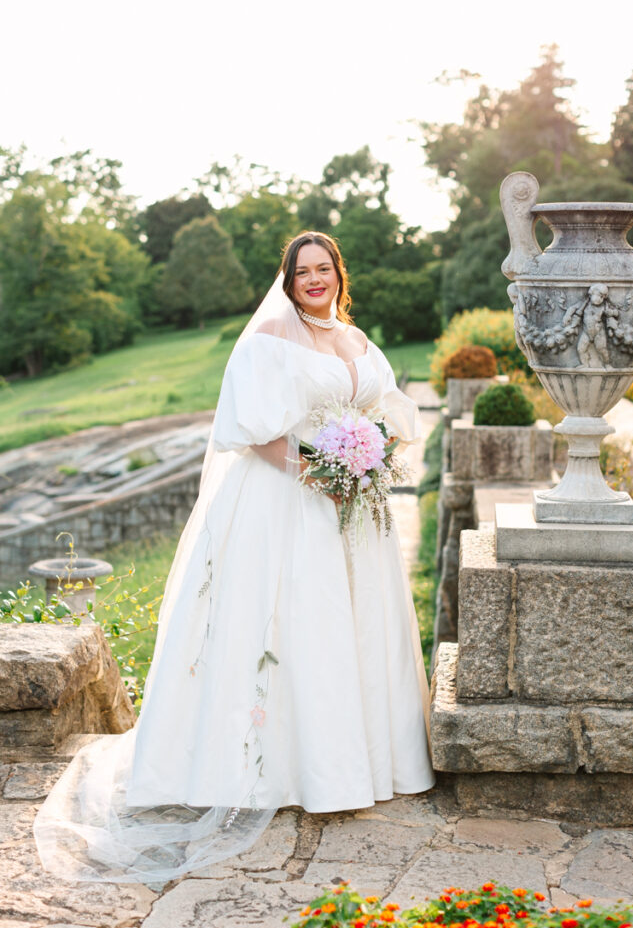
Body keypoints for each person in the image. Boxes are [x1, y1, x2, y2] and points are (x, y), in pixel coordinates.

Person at [33, 231, 435, 883]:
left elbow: (387, 406)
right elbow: (253, 429)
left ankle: (360, 763)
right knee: (291, 624)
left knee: (350, 628)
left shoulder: (356, 340)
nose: (313, 279)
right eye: (302, 270)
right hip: (290, 502)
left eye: (323, 268)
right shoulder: (270, 336)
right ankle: (285, 770)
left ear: (338, 272)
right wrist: (320, 469)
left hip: (355, 510)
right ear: (287, 278)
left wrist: (374, 450)